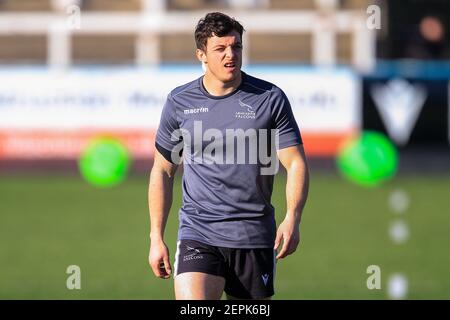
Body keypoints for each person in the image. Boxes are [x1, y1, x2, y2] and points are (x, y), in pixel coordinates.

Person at [148, 12, 309, 300]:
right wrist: (155, 236)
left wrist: (292, 218)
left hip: (254, 235)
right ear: (202, 55)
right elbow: (162, 170)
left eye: (236, 47)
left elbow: (295, 162)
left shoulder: (269, 98)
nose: (230, 55)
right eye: (220, 49)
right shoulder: (179, 102)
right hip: (199, 232)